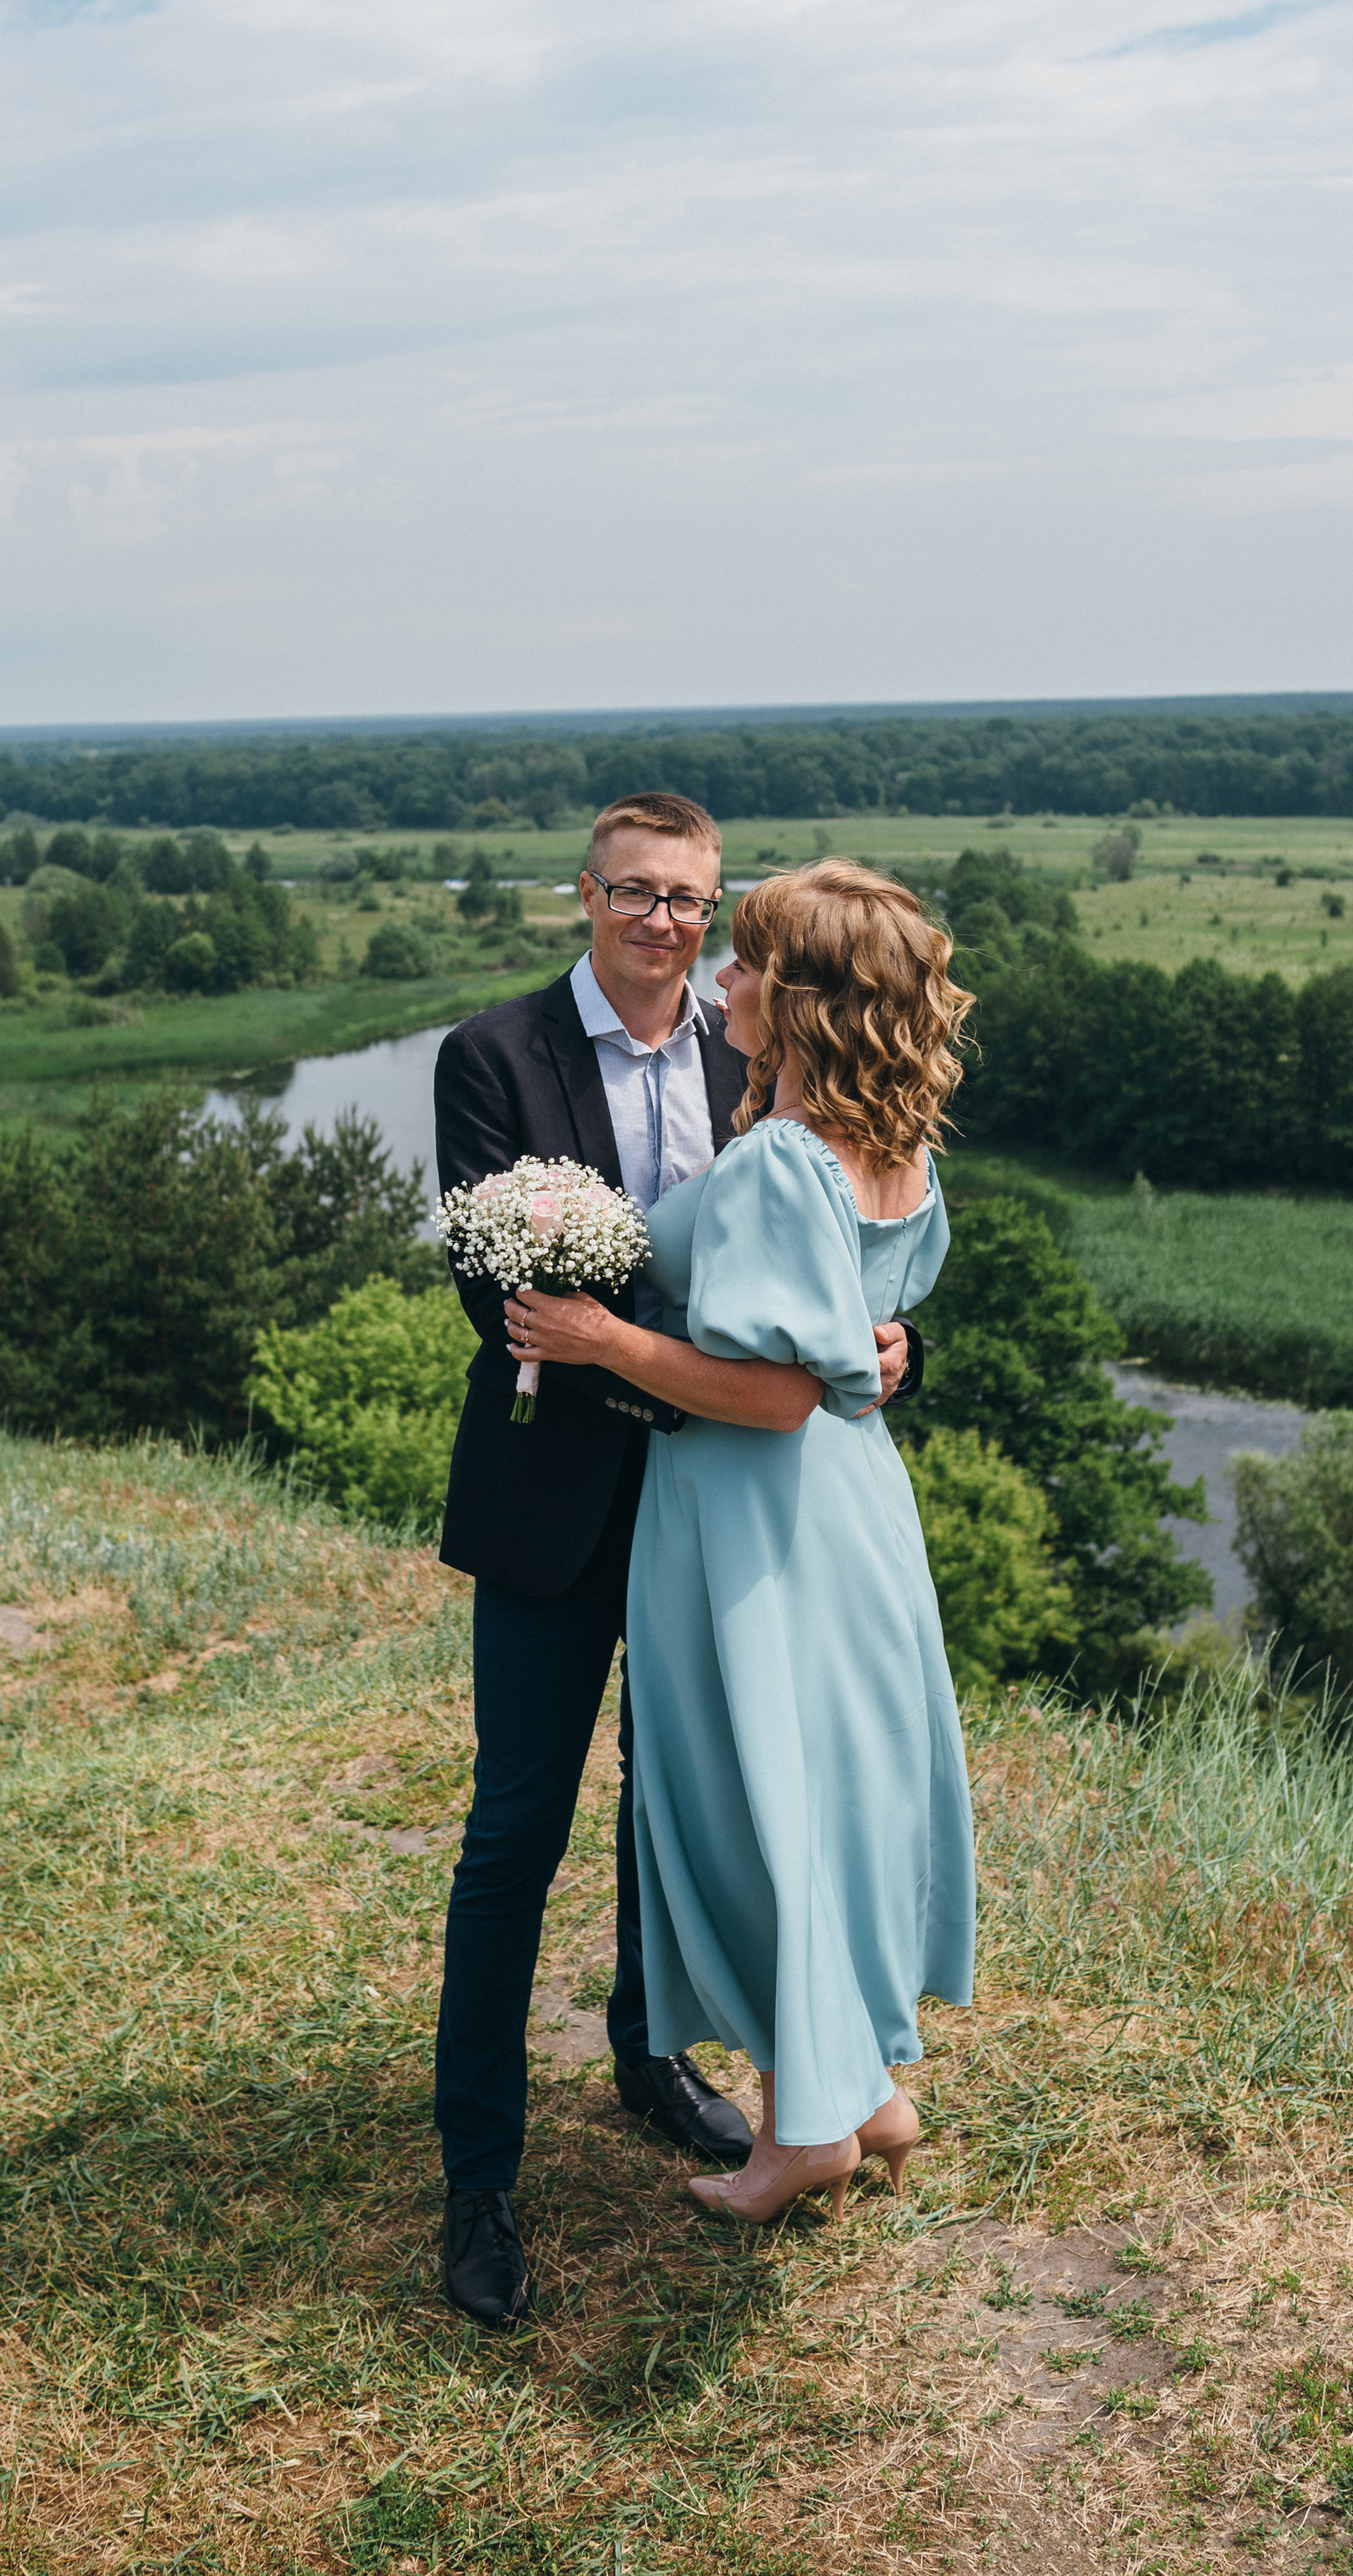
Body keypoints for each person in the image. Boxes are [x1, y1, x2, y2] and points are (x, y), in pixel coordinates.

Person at [430, 797, 919, 2330]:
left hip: (734, 1526)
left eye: (692, 900)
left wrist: (884, 1352)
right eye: (635, 892)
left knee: (691, 1810)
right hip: (564, 1504)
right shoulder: (493, 1058)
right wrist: (694, 1375)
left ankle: (654, 2060)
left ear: (719, 915)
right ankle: (480, 2175)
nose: (664, 922)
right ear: (584, 894)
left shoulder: (752, 1063)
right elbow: (498, 1299)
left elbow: (829, 1265)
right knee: (517, 1831)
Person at [504, 860, 975, 2225]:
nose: (724, 981)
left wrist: (600, 1335)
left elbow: (773, 1393)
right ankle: (864, 2091)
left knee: (755, 1811)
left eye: (752, 964)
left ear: (812, 997)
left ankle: (803, 2135)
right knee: (824, 1806)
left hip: (758, 1527)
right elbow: (856, 1341)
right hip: (858, 1515)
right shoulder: (891, 1144)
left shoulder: (777, 1159)